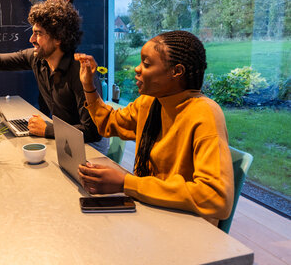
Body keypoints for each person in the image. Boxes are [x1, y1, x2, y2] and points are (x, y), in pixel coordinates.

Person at [76, 30, 234, 225]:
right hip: (150, 212)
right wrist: (88, 85)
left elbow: (216, 198)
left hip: (186, 227)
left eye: (146, 64)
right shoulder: (150, 102)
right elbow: (108, 123)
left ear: (176, 71)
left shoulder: (204, 113)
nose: (137, 68)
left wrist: (126, 183)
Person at [0, 0, 102, 146]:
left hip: (90, 147)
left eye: (38, 34)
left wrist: (48, 130)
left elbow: (92, 132)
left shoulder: (80, 72)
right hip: (63, 140)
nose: (31, 39)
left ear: (58, 38)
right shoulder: (37, 59)